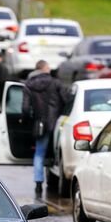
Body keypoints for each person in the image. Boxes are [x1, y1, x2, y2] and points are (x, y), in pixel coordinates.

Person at [22, 60, 71, 197]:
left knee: (39, 153)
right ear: (46, 68)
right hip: (56, 122)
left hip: (40, 123)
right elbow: (66, 99)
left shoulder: (29, 85)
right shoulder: (56, 83)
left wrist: (29, 120)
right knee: (58, 151)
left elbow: (25, 108)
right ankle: (58, 178)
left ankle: (38, 184)